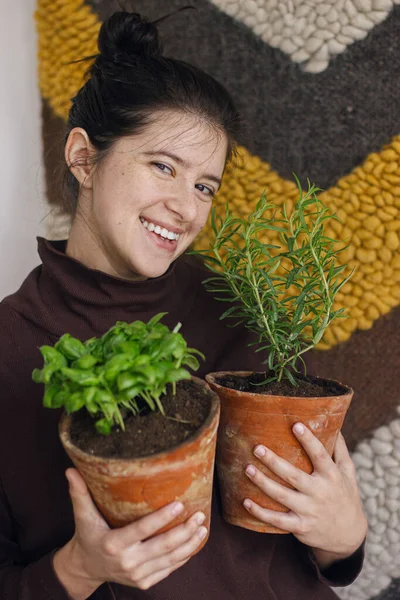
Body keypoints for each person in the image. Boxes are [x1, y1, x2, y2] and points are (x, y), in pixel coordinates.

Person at [0, 10, 367, 600]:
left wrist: (344, 538)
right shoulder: (11, 345)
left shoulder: (239, 311)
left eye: (204, 185)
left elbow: (317, 546)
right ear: (83, 157)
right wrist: (78, 569)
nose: (186, 208)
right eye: (163, 166)